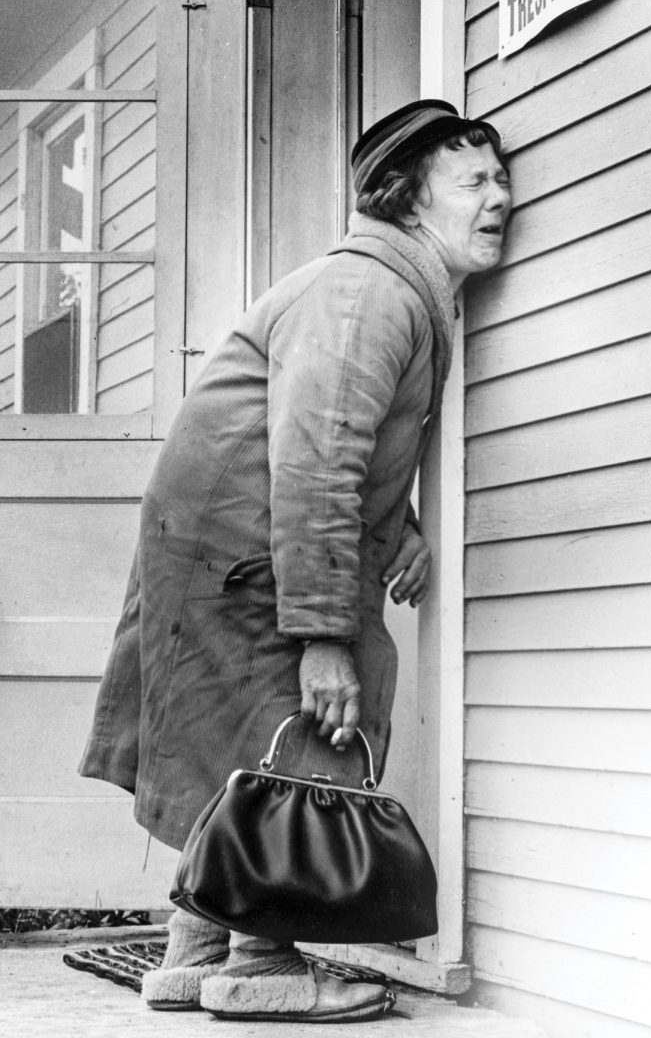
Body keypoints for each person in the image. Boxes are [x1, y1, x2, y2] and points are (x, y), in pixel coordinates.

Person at [79, 99, 512, 1023]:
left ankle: (197, 950)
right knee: (292, 731)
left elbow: (341, 444)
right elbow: (316, 459)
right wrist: (322, 635)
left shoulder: (382, 288)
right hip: (249, 549)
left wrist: (396, 530)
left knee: (228, 746)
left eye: (501, 178)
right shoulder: (368, 292)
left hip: (220, 541)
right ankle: (261, 965)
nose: (498, 197)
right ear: (405, 198)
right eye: (473, 180)